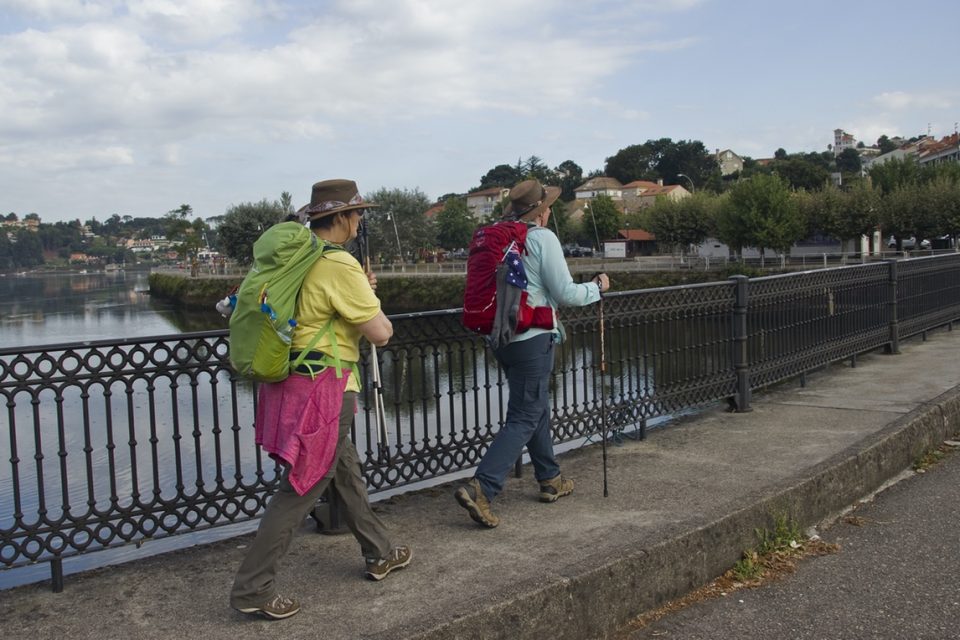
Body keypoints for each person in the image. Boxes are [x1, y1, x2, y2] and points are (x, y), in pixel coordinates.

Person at [231, 179, 411, 620]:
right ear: (345, 218)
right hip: (325, 387)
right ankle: (253, 589)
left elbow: (319, 307)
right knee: (303, 485)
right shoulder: (339, 265)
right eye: (358, 214)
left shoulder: (301, 258)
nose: (360, 221)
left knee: (343, 471)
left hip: (289, 381)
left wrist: (359, 292)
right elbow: (381, 333)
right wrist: (366, 293)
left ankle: (380, 552)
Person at [455, 179, 610, 527]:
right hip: (533, 338)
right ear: (542, 212)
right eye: (549, 207)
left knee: (533, 404)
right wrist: (597, 288)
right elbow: (566, 293)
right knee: (525, 413)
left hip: (501, 337)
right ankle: (482, 488)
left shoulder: (499, 237)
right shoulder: (541, 238)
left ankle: (550, 478)